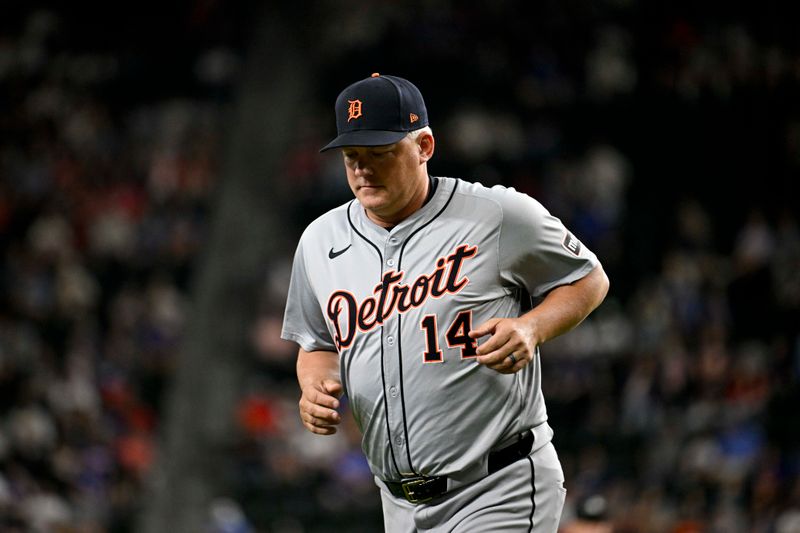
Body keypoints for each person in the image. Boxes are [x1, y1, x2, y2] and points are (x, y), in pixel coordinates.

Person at [281, 73, 610, 532]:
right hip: (398, 503)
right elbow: (315, 343)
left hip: (498, 487)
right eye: (352, 156)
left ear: (424, 146)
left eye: (380, 153)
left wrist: (533, 327)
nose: (362, 169)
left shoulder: (496, 214)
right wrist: (313, 385)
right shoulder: (320, 241)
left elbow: (589, 279)